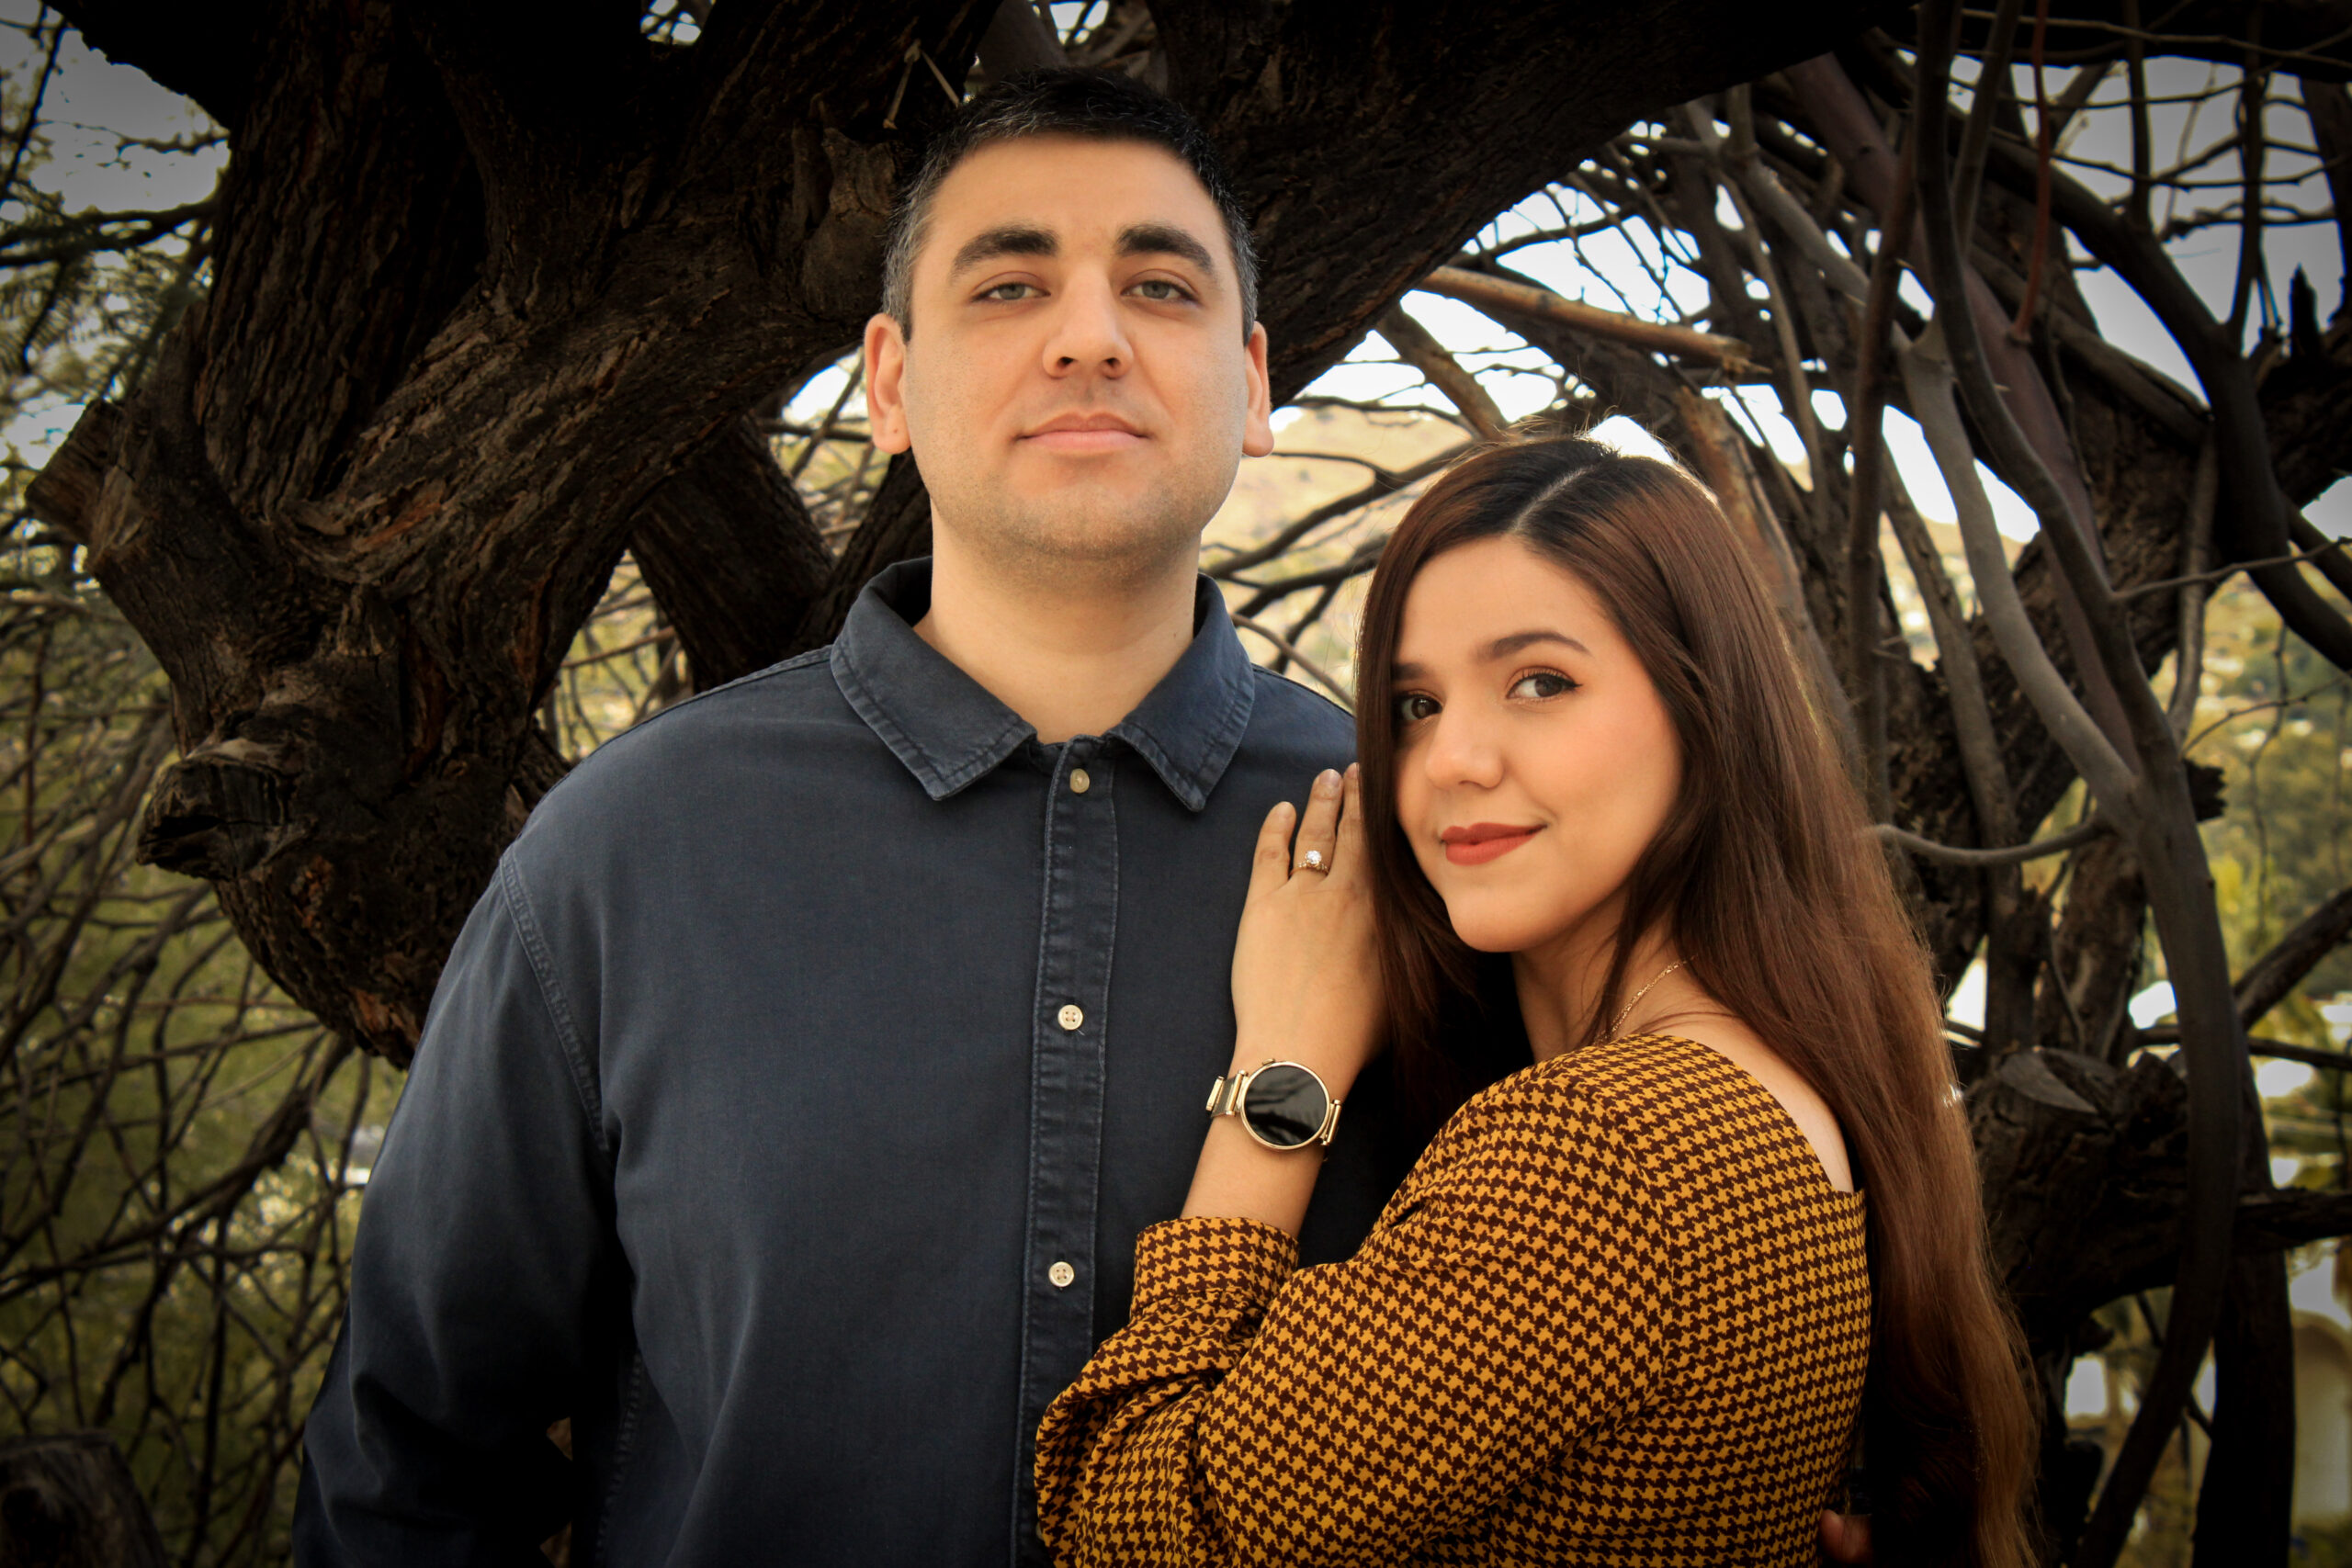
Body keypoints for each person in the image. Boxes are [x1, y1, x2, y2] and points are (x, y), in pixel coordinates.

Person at [292, 70, 1405, 1567]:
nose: (1091, 334)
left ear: (1255, 382)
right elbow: (407, 1469)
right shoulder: (629, 851)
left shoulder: (1420, 850)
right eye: (1009, 284)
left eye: (1160, 284)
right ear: (887, 383)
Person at [1035, 437, 2039, 1566]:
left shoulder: (1604, 1154)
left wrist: (1283, 1071)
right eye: (1414, 704)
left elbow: (1133, 1535)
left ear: (1704, 710)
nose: (1451, 759)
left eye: (1540, 683)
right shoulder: (1761, 1093)